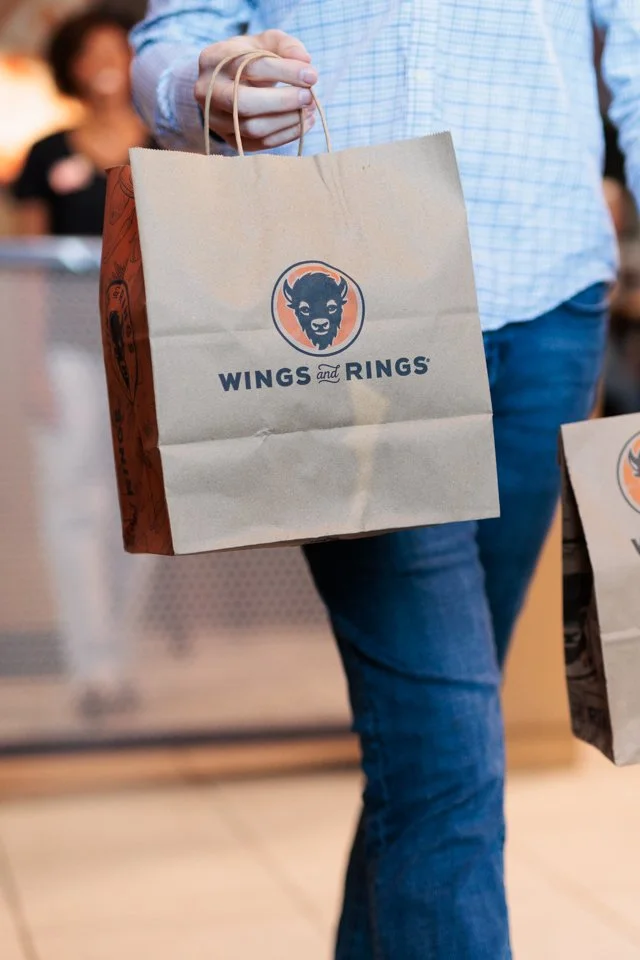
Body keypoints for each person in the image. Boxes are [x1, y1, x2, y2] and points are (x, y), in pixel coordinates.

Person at [130, 3, 640, 958]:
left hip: (549, 300)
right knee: (447, 753)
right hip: (345, 310)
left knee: (435, 739)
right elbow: (170, 38)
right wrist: (201, 85)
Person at [12, 9, 155, 720]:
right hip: (68, 353)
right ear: (71, 65)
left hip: (152, 358)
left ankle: (121, 655)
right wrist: (28, 364)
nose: (103, 61)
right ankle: (90, 669)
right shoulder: (46, 155)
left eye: (115, 48)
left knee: (145, 511)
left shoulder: (166, 143)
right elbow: (30, 270)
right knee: (74, 505)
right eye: (89, 50)